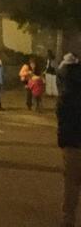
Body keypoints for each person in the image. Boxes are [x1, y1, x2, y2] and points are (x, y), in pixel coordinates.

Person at [57, 52, 81, 227]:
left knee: (71, 183)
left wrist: (62, 140)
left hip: (72, 141)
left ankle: (68, 220)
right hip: (72, 139)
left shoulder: (67, 92)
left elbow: (62, 116)